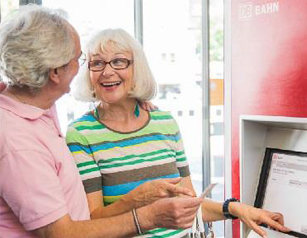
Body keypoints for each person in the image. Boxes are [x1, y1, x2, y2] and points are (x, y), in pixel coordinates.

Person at [0, 5, 204, 238]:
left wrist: (134, 99)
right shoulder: (19, 141)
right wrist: (148, 217)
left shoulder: (36, 103)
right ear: (55, 72)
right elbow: (61, 234)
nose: (83, 68)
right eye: (80, 59)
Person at [66, 28, 290, 238]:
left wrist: (236, 209)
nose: (107, 71)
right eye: (97, 63)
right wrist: (134, 200)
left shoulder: (165, 124)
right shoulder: (81, 134)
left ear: (137, 68)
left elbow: (189, 204)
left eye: (118, 61)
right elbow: (92, 220)